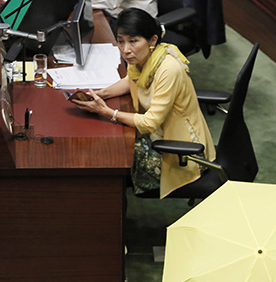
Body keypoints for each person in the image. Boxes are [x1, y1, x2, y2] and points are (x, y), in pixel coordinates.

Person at [72, 7, 215, 198]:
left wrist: (108, 112)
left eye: (133, 41)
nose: (125, 49)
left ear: (152, 40)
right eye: (120, 41)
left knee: (109, 156)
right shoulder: (140, 56)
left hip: (181, 151)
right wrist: (101, 94)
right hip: (158, 134)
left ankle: (109, 206)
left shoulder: (168, 68)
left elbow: (150, 123)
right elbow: (131, 79)